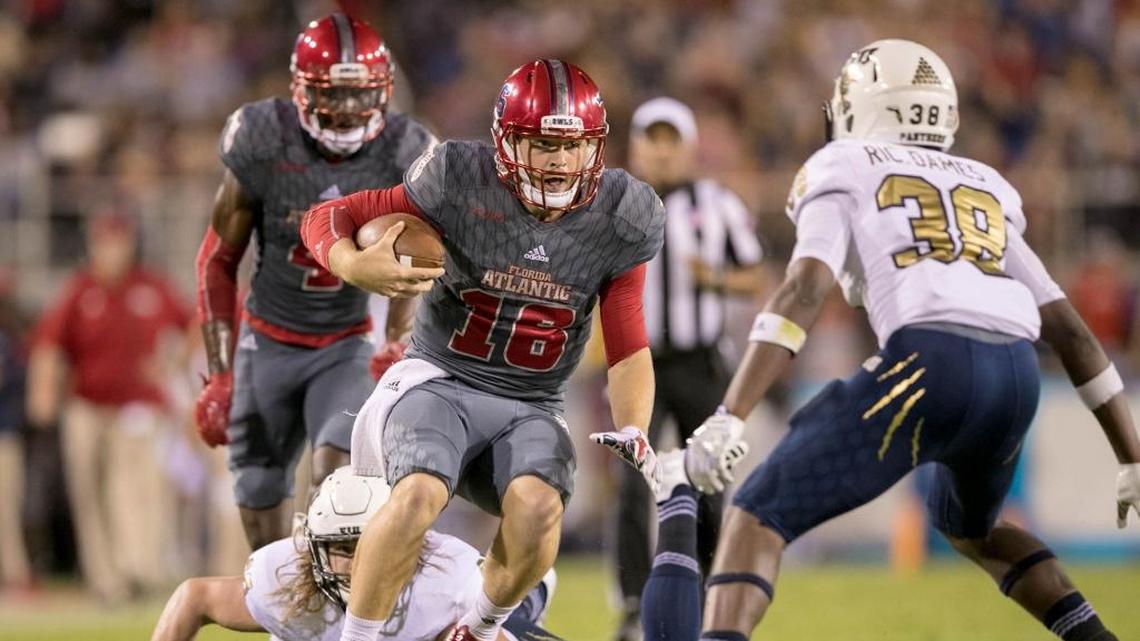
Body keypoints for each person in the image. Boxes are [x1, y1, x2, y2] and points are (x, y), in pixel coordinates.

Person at [679, 40, 1140, 641]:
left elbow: (804, 287)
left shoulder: (842, 163)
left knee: (756, 511)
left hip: (930, 361)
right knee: (974, 527)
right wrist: (1130, 454)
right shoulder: (984, 182)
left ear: (861, 107)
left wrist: (729, 414)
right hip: (1016, 375)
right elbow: (1069, 329)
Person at [300, 59, 665, 641]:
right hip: (439, 379)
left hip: (532, 401)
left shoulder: (623, 215)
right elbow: (330, 214)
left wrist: (636, 425)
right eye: (541, 144)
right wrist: (351, 261)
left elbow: (626, 343)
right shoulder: (457, 178)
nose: (558, 161)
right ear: (505, 140)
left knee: (540, 507)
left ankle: (477, 630)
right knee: (418, 492)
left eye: (572, 147)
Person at [194, 13, 432, 550]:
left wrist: (397, 341)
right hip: (266, 340)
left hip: (344, 346)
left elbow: (414, 255)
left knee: (338, 479)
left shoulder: (403, 150)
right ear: (301, 90)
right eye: (334, 94)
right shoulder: (262, 139)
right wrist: (219, 373)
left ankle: (329, 615)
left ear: (385, 91)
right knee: (258, 492)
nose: (348, 110)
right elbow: (216, 259)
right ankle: (285, 621)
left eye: (360, 94)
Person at [612, 97, 764, 641]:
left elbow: (756, 274)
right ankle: (632, 602)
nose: (660, 149)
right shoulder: (614, 204)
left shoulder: (715, 202)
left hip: (700, 361)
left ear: (688, 146)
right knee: (632, 484)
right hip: (637, 362)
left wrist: (716, 281)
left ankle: (702, 594)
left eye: (669, 138)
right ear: (635, 146)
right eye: (651, 138)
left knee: (709, 480)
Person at [150, 466, 559, 641]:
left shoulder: (447, 580)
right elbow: (194, 597)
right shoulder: (283, 578)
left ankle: (537, 589)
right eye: (340, 549)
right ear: (311, 549)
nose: (355, 564)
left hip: (469, 623)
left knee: (517, 610)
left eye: (367, 547)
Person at [27, 213, 192, 603]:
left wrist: (173, 365)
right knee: (89, 492)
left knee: (135, 491)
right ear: (94, 246)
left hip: (139, 410)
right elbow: (49, 343)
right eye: (106, 243)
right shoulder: (80, 289)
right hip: (87, 406)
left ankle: (137, 569)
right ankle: (105, 579)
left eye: (120, 242)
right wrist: (43, 391)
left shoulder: (152, 285)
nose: (114, 251)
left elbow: (194, 323)